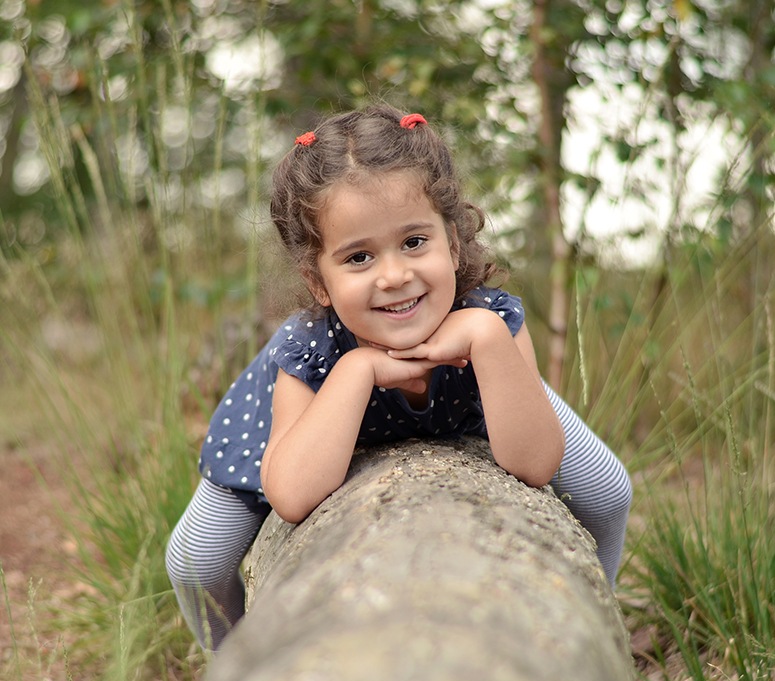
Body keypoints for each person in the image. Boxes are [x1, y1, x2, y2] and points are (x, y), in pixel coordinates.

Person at [165, 106, 632, 650]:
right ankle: (233, 668)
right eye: (359, 257)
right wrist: (357, 369)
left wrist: (486, 340)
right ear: (318, 282)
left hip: (477, 387)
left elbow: (534, 464)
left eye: (413, 242)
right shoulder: (308, 349)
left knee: (607, 490)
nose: (393, 276)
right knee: (196, 559)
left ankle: (596, 640)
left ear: (452, 244)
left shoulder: (490, 320)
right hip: (298, 425)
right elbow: (291, 495)